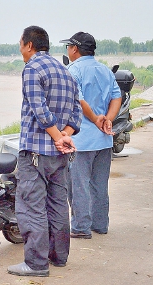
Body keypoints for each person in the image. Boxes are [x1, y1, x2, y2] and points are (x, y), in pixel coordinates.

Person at [7, 26, 82, 277]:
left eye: (21, 43)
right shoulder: (66, 71)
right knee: (58, 205)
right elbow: (76, 113)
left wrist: (56, 137)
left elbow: (39, 110)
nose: (20, 48)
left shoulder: (32, 68)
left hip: (36, 152)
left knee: (31, 207)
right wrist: (64, 137)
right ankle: (58, 256)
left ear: (29, 45)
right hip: (60, 155)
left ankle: (36, 264)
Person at [60, 32, 121, 239]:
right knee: (99, 184)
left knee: (78, 185)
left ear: (74, 49)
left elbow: (78, 100)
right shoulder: (105, 70)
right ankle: (100, 224)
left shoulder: (72, 70)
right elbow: (116, 97)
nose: (67, 50)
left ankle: (80, 227)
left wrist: (96, 119)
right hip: (104, 139)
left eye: (68, 46)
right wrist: (108, 120)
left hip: (81, 139)